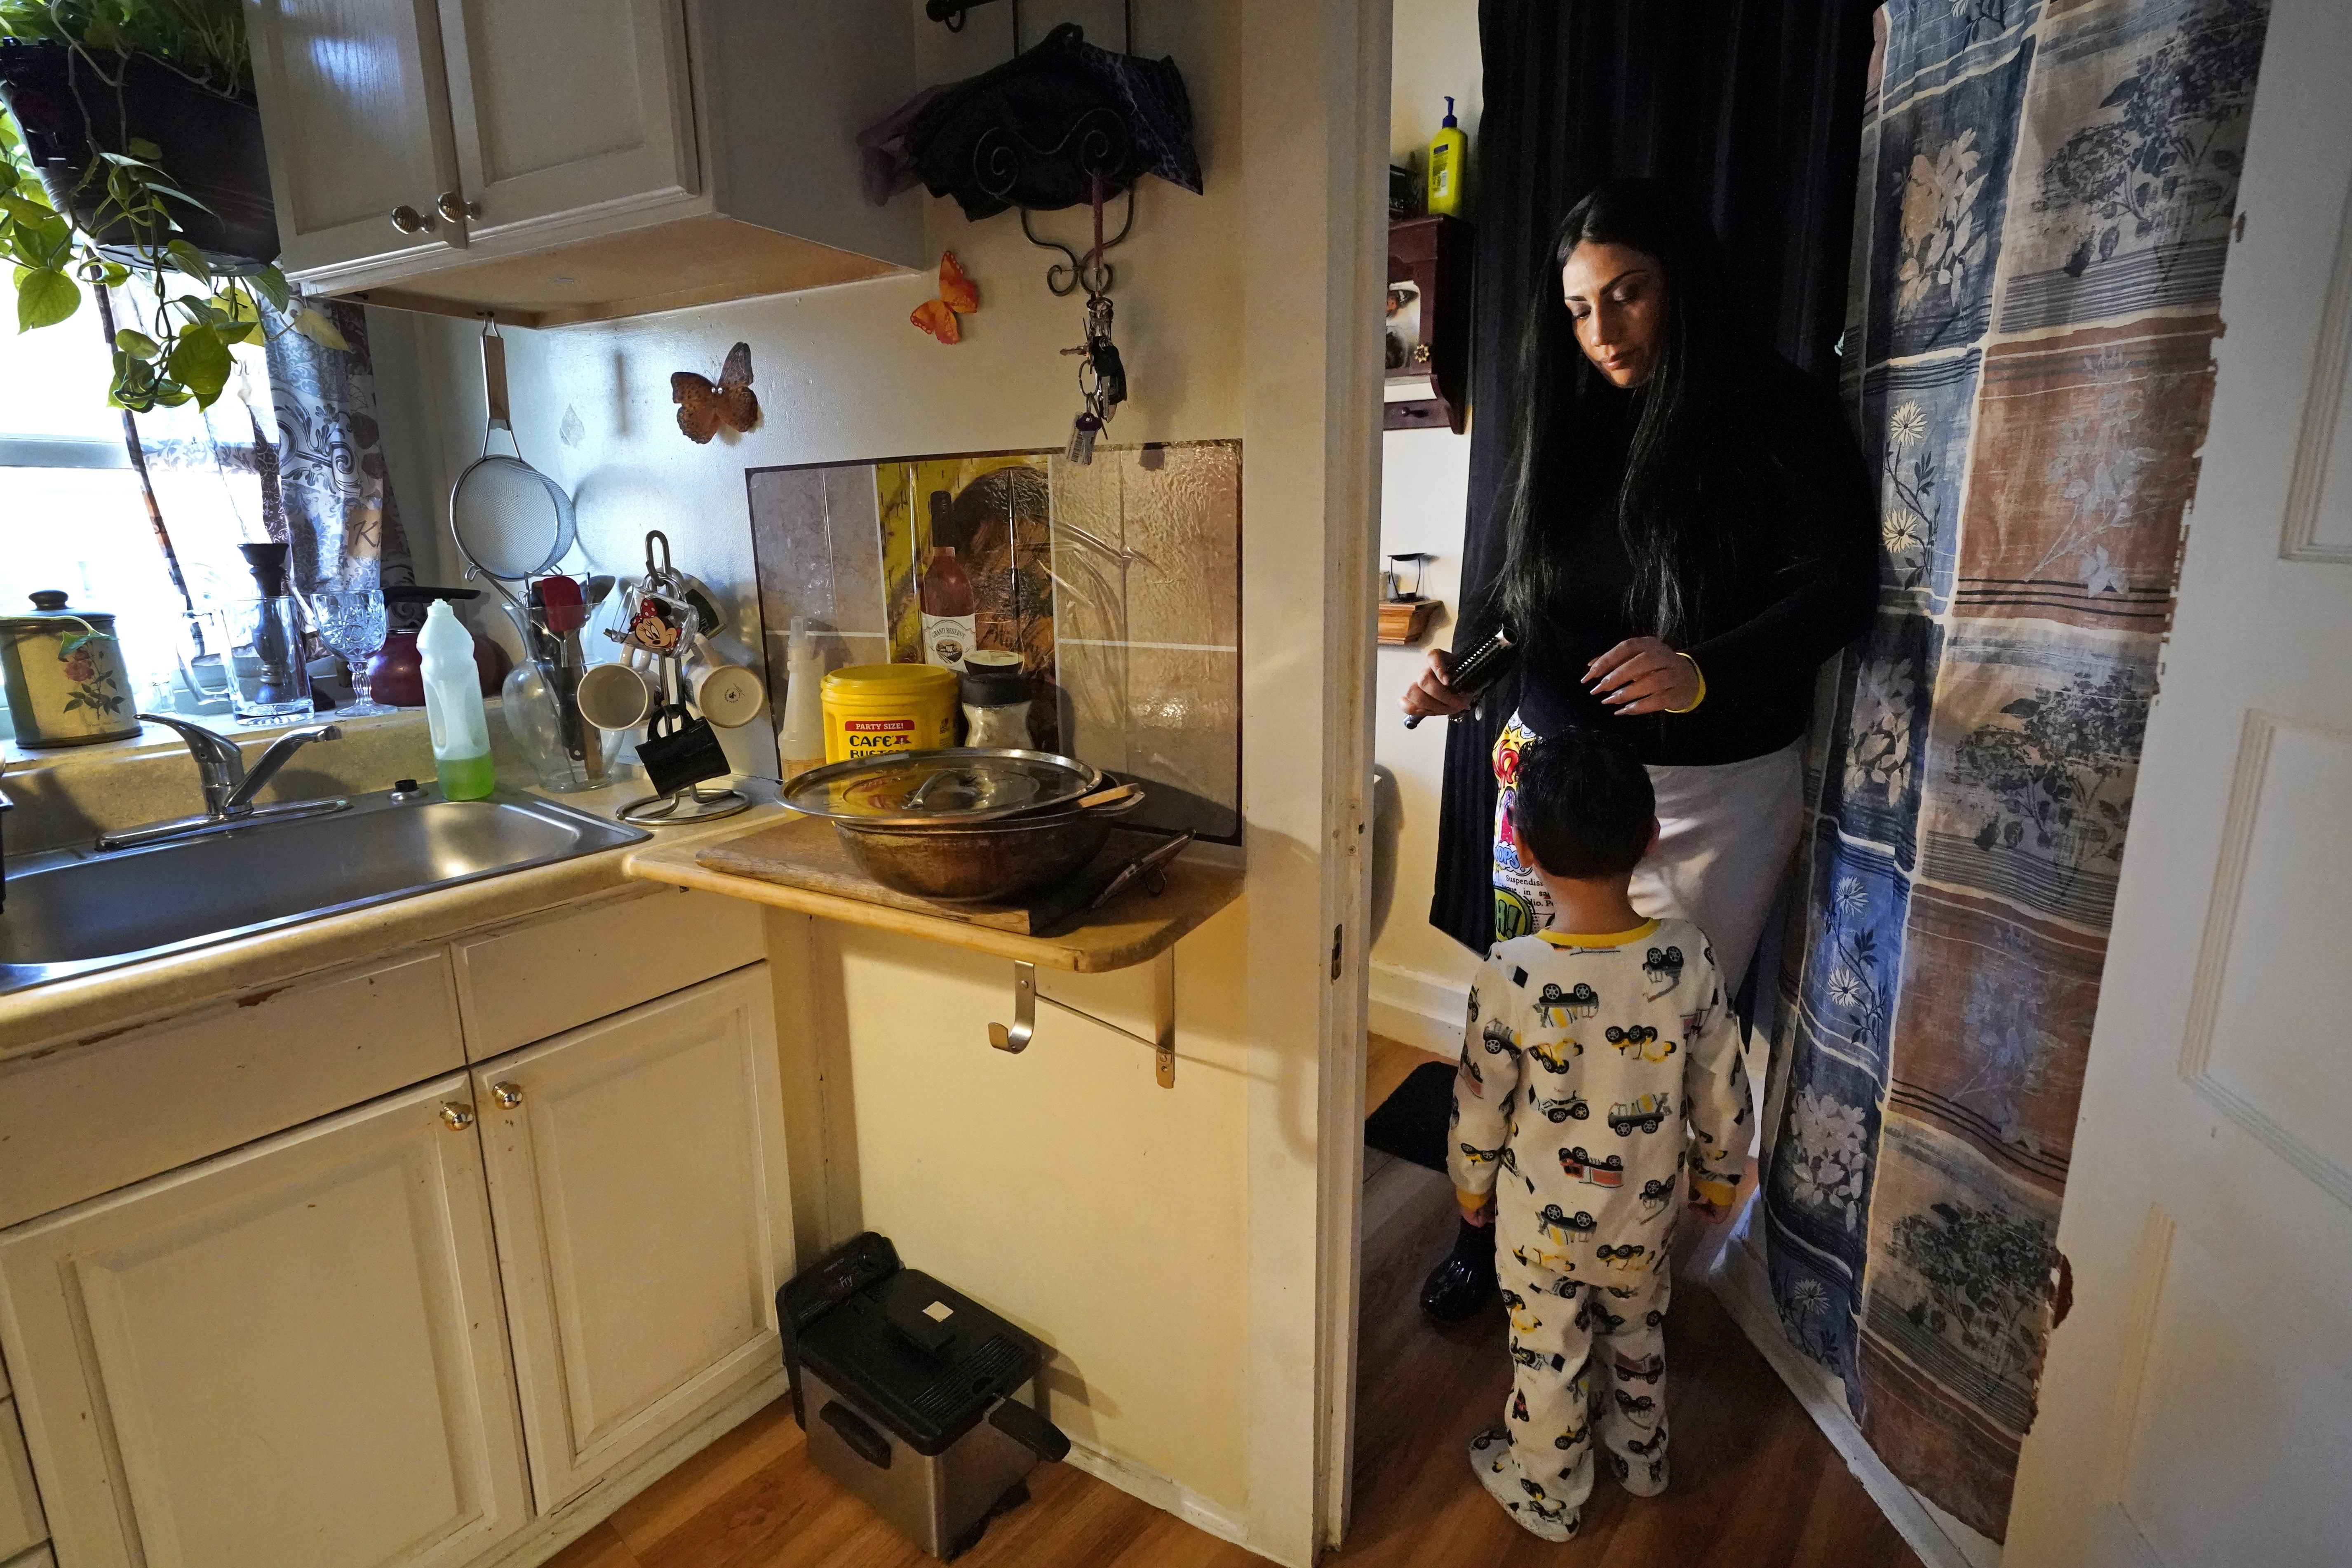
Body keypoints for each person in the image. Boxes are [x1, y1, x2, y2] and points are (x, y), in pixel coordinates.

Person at [1404, 179, 1875, 1323]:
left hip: (1709, 796)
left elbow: (1841, 589)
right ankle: (1491, 1229)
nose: (1602, 332)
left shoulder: (1777, 410)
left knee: (1651, 1044)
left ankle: (1626, 1257)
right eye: (1577, 308)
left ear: (1680, 288)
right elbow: (1519, 599)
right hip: (1554, 784)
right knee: (1522, 1021)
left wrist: (1707, 666)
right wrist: (1462, 676)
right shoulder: (1567, 413)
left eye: (1627, 296)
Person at [1449, 733, 1746, 1542]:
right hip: (1643, 1221)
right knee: (1639, 1332)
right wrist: (1719, 1177)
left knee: (1549, 1357)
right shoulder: (1688, 957)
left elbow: (1480, 1102)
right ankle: (1643, 1458)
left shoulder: (1510, 972)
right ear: (1650, 840)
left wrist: (1471, 1187)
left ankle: (1547, 1489)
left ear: (1529, 850)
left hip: (1540, 1226)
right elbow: (1722, 1085)